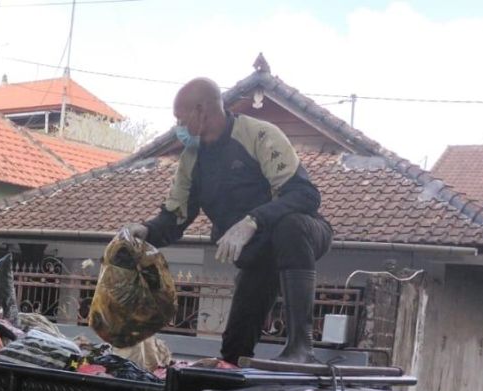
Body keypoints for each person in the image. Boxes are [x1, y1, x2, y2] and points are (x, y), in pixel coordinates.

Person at [126, 78, 332, 367]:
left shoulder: (259, 135)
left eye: (180, 118)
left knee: (290, 226)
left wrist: (253, 220)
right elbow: (175, 217)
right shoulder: (191, 159)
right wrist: (144, 231)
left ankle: (301, 346)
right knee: (234, 351)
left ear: (201, 111)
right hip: (259, 258)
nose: (177, 127)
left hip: (303, 237)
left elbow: (306, 195)